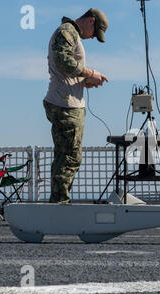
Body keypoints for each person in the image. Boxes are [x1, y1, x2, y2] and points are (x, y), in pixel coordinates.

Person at [43, 8, 109, 204]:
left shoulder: (69, 33)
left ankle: (58, 201)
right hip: (65, 105)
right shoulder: (67, 31)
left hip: (66, 102)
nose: (92, 38)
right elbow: (63, 60)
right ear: (90, 21)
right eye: (94, 32)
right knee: (71, 157)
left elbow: (66, 70)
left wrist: (87, 81)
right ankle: (59, 203)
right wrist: (90, 74)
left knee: (64, 155)